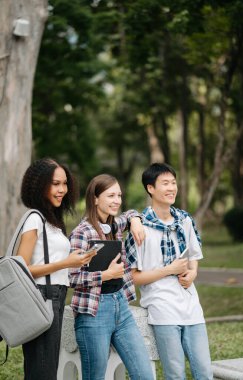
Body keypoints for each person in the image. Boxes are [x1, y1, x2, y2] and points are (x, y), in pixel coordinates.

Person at [125, 163, 213, 380]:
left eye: (173, 183)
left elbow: (193, 256)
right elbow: (134, 277)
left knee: (204, 371)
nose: (171, 188)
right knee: (175, 374)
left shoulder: (184, 221)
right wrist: (169, 270)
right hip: (162, 308)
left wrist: (192, 273)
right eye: (165, 183)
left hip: (191, 305)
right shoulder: (140, 228)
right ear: (150, 188)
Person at [69, 174, 154, 380]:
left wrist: (134, 221)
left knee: (145, 374)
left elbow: (132, 212)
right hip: (94, 313)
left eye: (119, 195)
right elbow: (71, 277)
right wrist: (105, 275)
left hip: (121, 308)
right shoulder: (82, 232)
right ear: (95, 199)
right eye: (110, 195)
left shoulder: (114, 224)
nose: (117, 200)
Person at [17, 158, 96, 380]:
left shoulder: (53, 221)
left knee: (46, 368)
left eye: (64, 183)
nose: (62, 189)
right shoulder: (35, 218)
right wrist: (66, 263)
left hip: (56, 297)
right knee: (43, 371)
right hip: (42, 297)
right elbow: (21, 268)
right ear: (39, 186)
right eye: (55, 184)